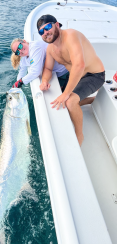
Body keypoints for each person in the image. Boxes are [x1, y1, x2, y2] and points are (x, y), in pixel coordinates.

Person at [37, 14, 105, 146]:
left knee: (70, 102)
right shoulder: (51, 49)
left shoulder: (70, 36)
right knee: (60, 102)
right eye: (41, 32)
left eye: (48, 27)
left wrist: (65, 94)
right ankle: (92, 100)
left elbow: (79, 65)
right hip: (77, 76)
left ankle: (79, 135)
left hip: (94, 75)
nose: (45, 32)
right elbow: (48, 69)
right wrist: (44, 80)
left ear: (57, 25)